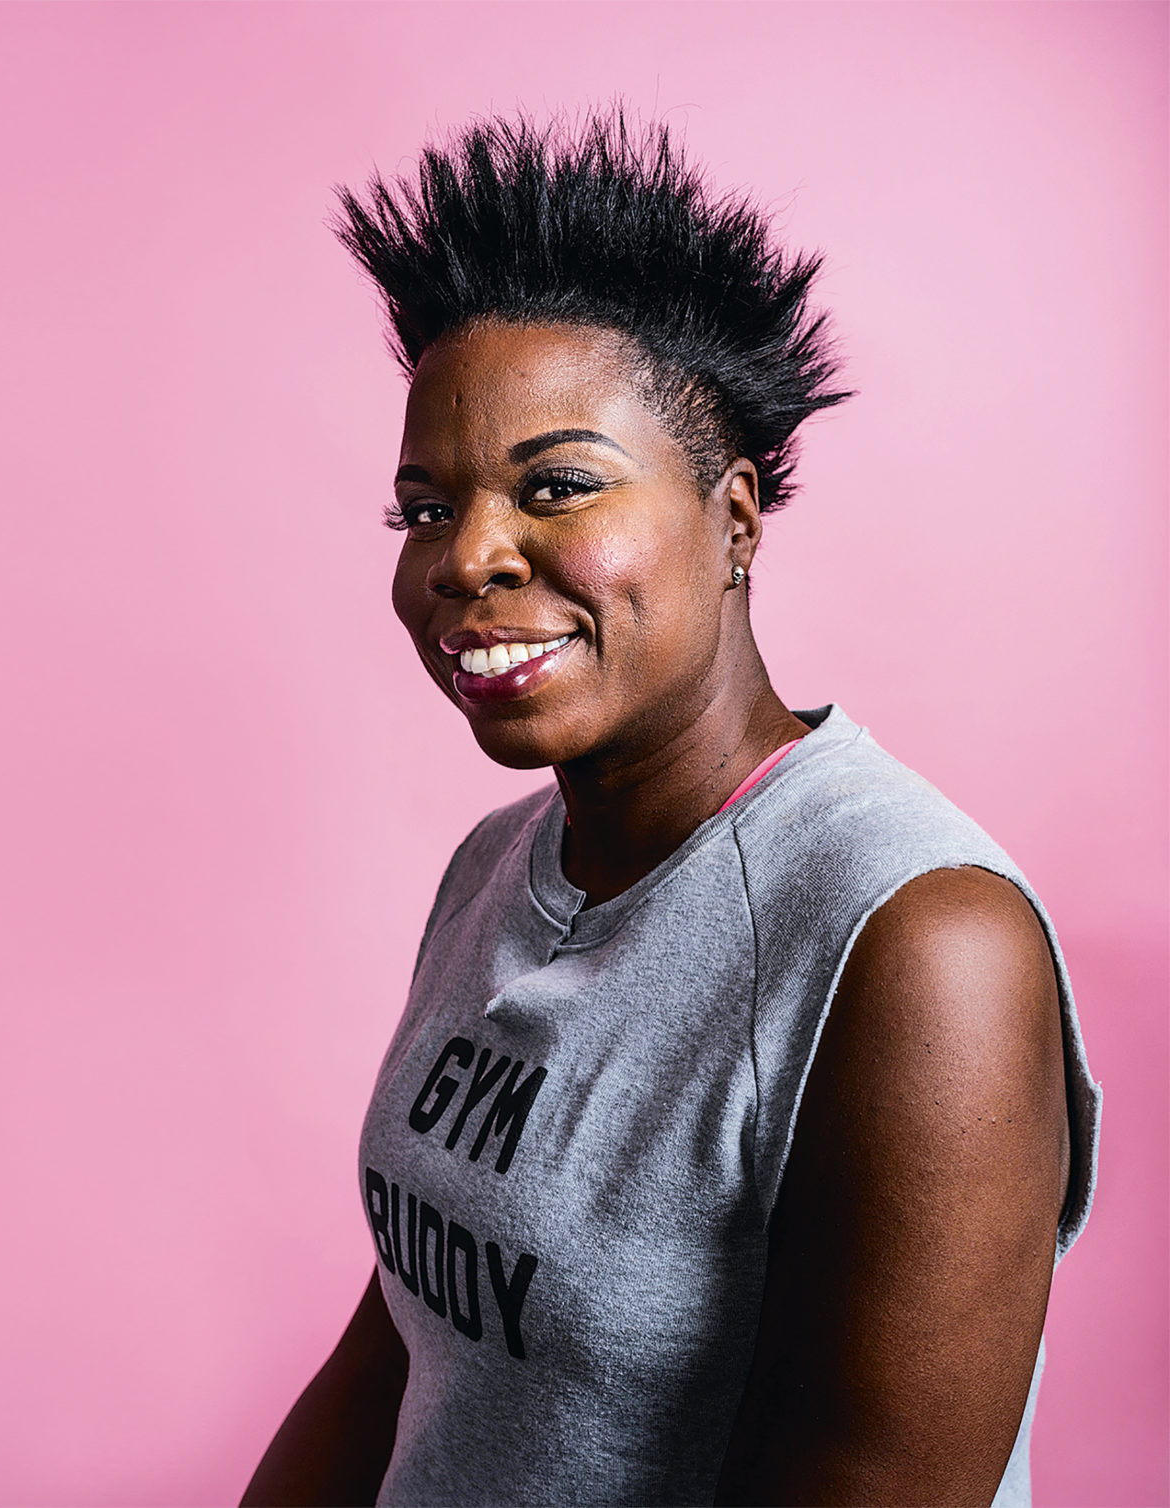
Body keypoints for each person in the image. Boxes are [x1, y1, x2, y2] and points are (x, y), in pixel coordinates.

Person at [241, 113, 1101, 1508]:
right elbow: (406, 1343)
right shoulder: (496, 869)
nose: (467, 558)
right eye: (422, 509)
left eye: (557, 485)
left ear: (737, 516)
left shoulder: (915, 943)